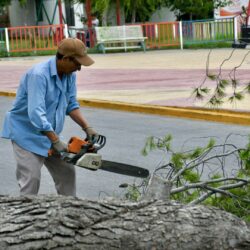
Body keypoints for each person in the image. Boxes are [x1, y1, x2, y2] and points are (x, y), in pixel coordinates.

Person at [1, 38, 98, 197]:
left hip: (50, 135)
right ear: (66, 59)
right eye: (78, 63)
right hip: (26, 135)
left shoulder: (69, 75)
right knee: (31, 179)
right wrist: (55, 140)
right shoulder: (39, 75)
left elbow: (71, 104)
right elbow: (36, 113)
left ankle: (69, 211)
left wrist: (87, 127)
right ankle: (26, 218)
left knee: (67, 172)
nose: (79, 68)